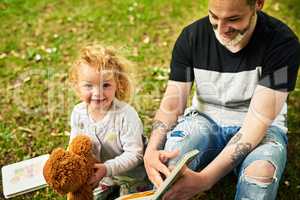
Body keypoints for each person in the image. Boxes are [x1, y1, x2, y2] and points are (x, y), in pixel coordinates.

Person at [143, 0, 300, 199]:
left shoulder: (282, 43)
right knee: (169, 163)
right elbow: (172, 105)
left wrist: (205, 179)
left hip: (262, 128)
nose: (222, 29)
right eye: (214, 17)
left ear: (258, 4)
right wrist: (152, 149)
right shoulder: (191, 37)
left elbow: (257, 123)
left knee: (261, 175)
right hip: (204, 121)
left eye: (233, 19)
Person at [69, 45, 151, 199]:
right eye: (88, 86)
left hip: (132, 176)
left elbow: (135, 154)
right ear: (77, 86)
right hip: (101, 176)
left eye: (106, 85)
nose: (97, 93)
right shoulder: (78, 113)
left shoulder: (126, 115)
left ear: (117, 85)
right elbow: (75, 146)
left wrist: (107, 168)